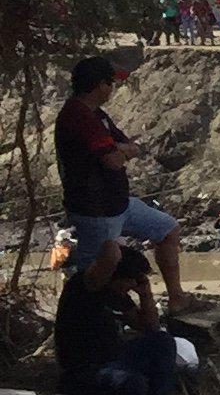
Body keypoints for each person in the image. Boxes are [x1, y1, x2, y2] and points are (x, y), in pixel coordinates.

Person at [56, 54, 188, 322]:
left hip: (120, 203)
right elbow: (115, 160)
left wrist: (119, 149)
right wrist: (120, 150)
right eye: (111, 83)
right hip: (96, 210)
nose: (112, 89)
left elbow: (127, 146)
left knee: (167, 229)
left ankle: (177, 299)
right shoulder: (79, 116)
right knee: (94, 273)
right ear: (100, 85)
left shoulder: (97, 115)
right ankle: (88, 324)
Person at [54, 241, 180, 395]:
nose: (131, 287)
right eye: (129, 281)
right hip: (83, 371)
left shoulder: (116, 294)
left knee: (163, 342)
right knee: (132, 383)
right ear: (112, 274)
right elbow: (110, 255)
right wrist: (110, 230)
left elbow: (149, 327)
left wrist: (146, 295)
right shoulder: (85, 286)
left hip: (114, 359)